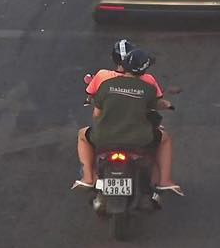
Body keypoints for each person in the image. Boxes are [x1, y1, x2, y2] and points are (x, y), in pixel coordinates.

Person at [74, 49, 182, 200]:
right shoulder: (148, 88)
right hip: (139, 139)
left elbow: (97, 115)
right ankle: (165, 181)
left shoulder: (106, 84)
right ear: (144, 69)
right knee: (164, 139)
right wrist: (167, 105)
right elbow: (156, 105)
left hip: (104, 137)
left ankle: (87, 178)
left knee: (82, 135)